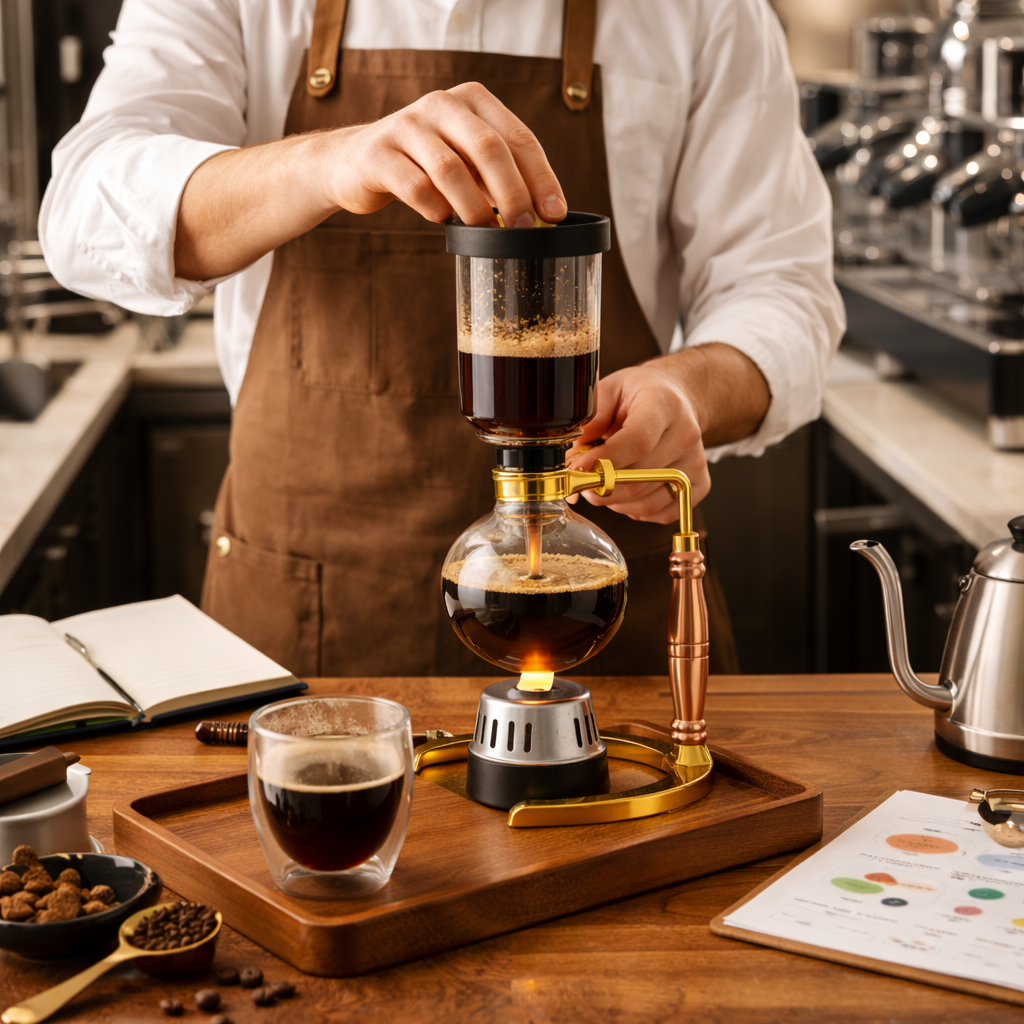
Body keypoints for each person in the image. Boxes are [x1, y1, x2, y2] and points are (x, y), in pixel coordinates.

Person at [41, 0, 845, 678]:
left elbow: (785, 290)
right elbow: (83, 212)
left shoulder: (701, 13)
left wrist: (689, 390)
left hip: (608, 639)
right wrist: (328, 163)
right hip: (301, 635)